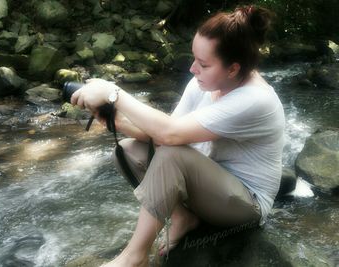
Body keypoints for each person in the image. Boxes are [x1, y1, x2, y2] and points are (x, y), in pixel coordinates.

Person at [71, 5, 284, 267]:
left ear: (232, 69)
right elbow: (164, 132)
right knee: (128, 150)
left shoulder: (255, 99)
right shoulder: (204, 82)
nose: (193, 69)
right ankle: (183, 217)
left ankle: (134, 257)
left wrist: (113, 93)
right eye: (194, 58)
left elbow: (170, 136)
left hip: (247, 204)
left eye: (204, 64)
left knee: (172, 153)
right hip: (209, 188)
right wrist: (115, 119)